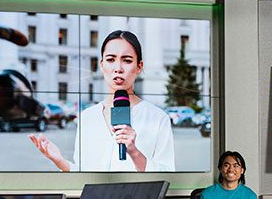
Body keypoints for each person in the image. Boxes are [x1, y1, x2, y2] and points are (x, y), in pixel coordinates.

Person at [28, 30, 175, 172]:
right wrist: (60, 161)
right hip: (95, 198)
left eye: (127, 60)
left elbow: (167, 174)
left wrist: (134, 152)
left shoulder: (158, 118)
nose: (118, 68)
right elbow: (83, 174)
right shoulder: (87, 117)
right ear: (102, 65)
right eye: (111, 60)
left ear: (139, 67)